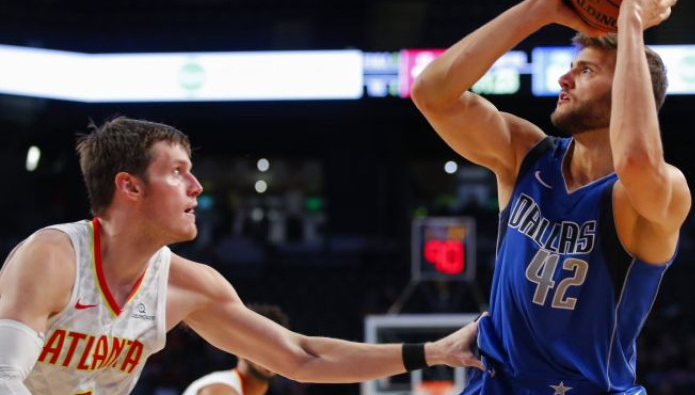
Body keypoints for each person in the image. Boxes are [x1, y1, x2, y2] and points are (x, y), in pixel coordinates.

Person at [0, 117, 484, 395]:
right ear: (128, 186)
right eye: (178, 172)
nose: (197, 186)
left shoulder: (190, 285)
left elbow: (302, 355)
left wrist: (435, 352)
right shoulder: (54, 256)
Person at [410, 0, 689, 394]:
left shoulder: (655, 191)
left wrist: (631, 24)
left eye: (586, 71)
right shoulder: (526, 155)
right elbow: (431, 93)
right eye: (570, 67)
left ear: (626, 88)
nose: (564, 79)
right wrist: (540, 8)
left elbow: (634, 158)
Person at [182, 304, 291, 395]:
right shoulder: (222, 388)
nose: (270, 356)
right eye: (262, 347)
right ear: (240, 348)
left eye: (275, 347)